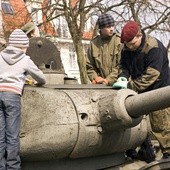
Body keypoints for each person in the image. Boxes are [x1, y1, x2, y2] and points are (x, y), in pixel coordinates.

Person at [112, 20, 170, 160]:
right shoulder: (127, 48)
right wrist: (123, 77)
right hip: (139, 91)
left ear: (139, 36)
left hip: (158, 90)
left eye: (132, 44)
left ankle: (168, 153)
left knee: (161, 125)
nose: (130, 47)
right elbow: (123, 65)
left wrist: (130, 86)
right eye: (127, 44)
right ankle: (145, 151)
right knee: (138, 124)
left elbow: (152, 75)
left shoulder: (154, 47)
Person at [0, 29, 46, 170]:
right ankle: (13, 167)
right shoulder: (25, 59)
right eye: (25, 47)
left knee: (0, 136)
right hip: (12, 97)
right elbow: (41, 78)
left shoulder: (0, 56)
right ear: (21, 46)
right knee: (12, 136)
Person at [86, 13, 122, 86]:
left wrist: (108, 80)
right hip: (100, 86)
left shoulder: (119, 41)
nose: (111, 29)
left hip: (118, 84)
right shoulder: (94, 43)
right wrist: (95, 78)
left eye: (112, 26)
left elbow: (121, 65)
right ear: (101, 28)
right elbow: (89, 66)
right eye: (108, 27)